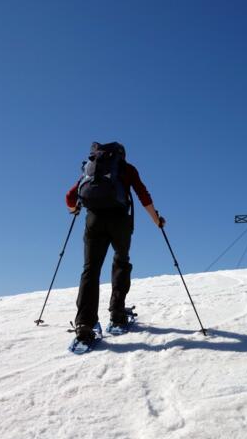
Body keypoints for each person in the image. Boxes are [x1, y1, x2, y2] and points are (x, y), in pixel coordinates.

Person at [65, 141, 165, 344]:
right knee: (121, 261)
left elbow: (70, 196)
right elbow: (143, 195)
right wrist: (157, 220)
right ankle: (117, 315)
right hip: (119, 221)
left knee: (90, 269)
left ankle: (84, 324)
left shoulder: (91, 169)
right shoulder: (127, 169)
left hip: (94, 220)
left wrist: (74, 209)